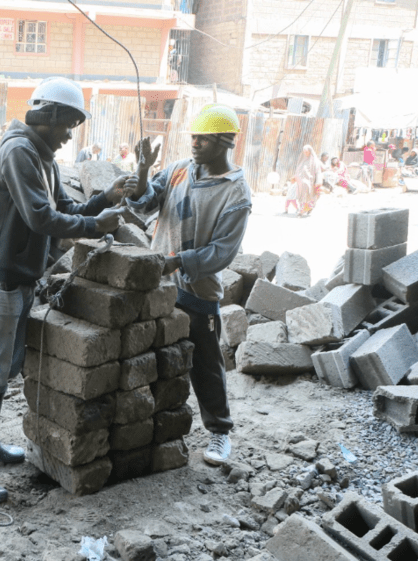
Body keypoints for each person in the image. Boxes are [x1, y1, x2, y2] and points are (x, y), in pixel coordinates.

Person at [0, 77, 127, 503]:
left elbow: (64, 207)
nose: (70, 135)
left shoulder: (42, 157)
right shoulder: (18, 152)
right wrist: (93, 226)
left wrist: (103, 199)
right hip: (0, 278)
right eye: (67, 124)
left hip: (20, 278)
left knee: (3, 370)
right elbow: (39, 218)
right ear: (46, 116)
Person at [123, 103, 251, 467]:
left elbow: (221, 253)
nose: (194, 144)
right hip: (159, 286)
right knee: (155, 357)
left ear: (225, 142)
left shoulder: (235, 193)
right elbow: (146, 203)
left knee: (205, 363)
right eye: (193, 137)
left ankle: (220, 431)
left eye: (203, 139)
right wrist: (145, 169)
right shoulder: (180, 169)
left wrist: (177, 262)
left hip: (196, 291)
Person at [294, 145, 323, 217]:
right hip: (301, 183)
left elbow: (318, 172)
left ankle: (303, 210)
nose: (305, 153)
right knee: (302, 196)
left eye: (307, 152)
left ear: (310, 151)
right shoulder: (302, 160)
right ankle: (303, 209)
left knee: (310, 196)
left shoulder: (315, 161)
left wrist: (318, 181)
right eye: (304, 152)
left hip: (311, 183)